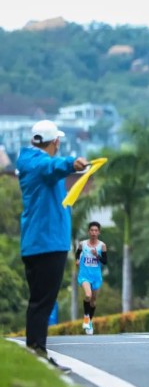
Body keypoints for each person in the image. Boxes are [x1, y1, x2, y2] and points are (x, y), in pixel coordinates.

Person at [17, 119, 88, 373]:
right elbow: (52, 166)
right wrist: (71, 163)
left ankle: (37, 351)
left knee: (41, 301)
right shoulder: (40, 165)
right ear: (56, 142)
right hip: (46, 244)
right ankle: (37, 352)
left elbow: (51, 168)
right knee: (42, 302)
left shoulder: (29, 162)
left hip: (39, 242)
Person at [76, 221, 108, 335]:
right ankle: (85, 318)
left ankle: (89, 321)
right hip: (84, 275)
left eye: (96, 230)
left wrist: (97, 255)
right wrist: (78, 260)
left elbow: (105, 261)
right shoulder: (82, 244)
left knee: (93, 301)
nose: (94, 232)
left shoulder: (102, 246)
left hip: (96, 276)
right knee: (88, 295)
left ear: (99, 232)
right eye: (92, 230)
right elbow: (77, 253)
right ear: (88, 232)